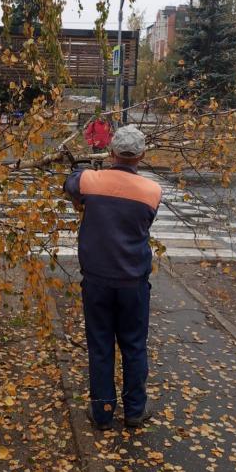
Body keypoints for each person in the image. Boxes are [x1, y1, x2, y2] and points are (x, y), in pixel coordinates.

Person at [64, 125, 162, 430]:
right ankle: (135, 410)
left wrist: (86, 170)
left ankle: (103, 411)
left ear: (110, 153)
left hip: (97, 281)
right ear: (142, 156)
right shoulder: (152, 192)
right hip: (133, 282)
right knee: (134, 346)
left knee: (100, 345)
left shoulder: (90, 181)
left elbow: (70, 183)